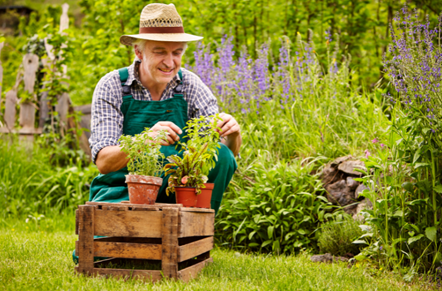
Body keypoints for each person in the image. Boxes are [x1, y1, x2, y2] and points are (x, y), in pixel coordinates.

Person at [88, 3, 241, 214]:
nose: (170, 62)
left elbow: (221, 160)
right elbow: (104, 162)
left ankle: (194, 234)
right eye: (160, 52)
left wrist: (232, 134)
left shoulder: (190, 85)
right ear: (138, 52)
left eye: (177, 53)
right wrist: (146, 140)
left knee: (222, 155)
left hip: (178, 195)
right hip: (122, 191)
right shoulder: (113, 85)